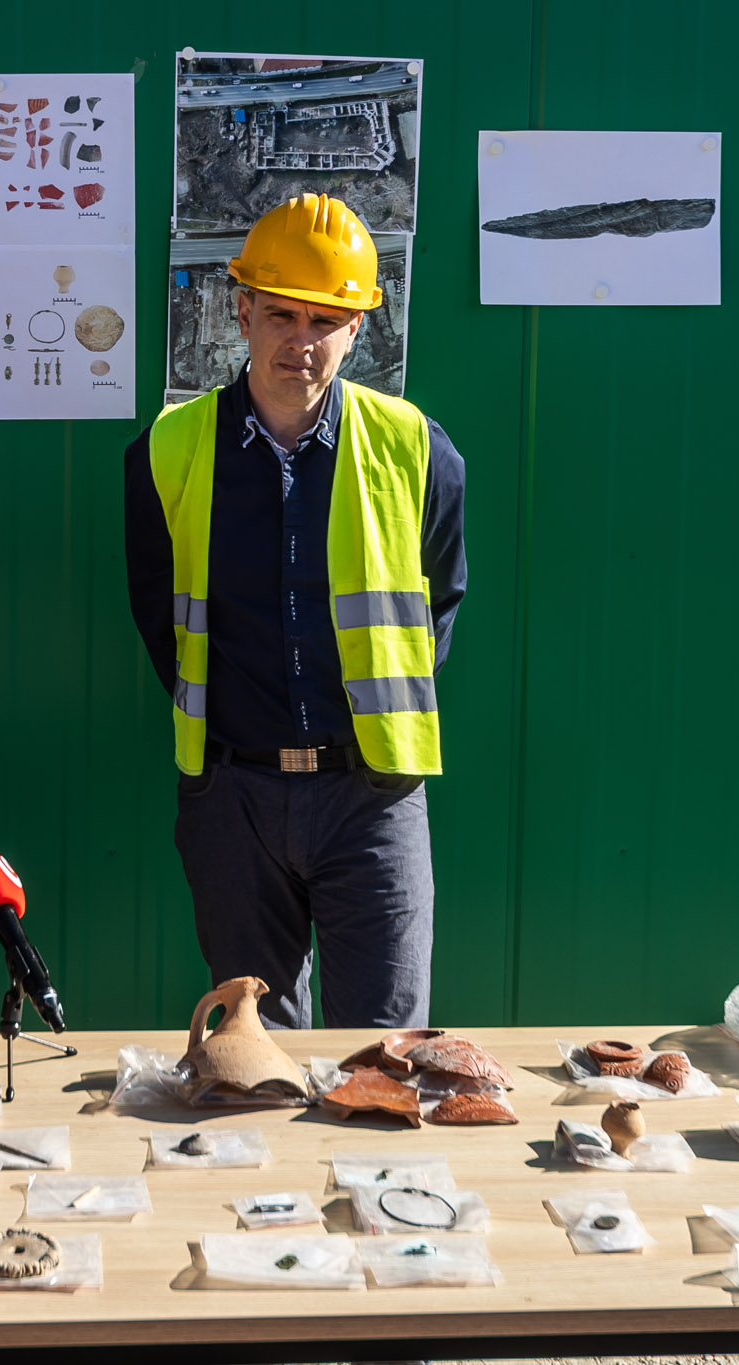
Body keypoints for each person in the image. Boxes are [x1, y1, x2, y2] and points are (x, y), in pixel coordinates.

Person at [123, 192, 466, 1031]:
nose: (300, 341)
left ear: (358, 330)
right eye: (281, 314)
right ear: (241, 311)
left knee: (381, 1057)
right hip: (232, 796)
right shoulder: (168, 450)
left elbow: (438, 606)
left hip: (372, 794)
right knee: (253, 1061)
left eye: (325, 320)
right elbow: (157, 613)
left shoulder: (417, 448)